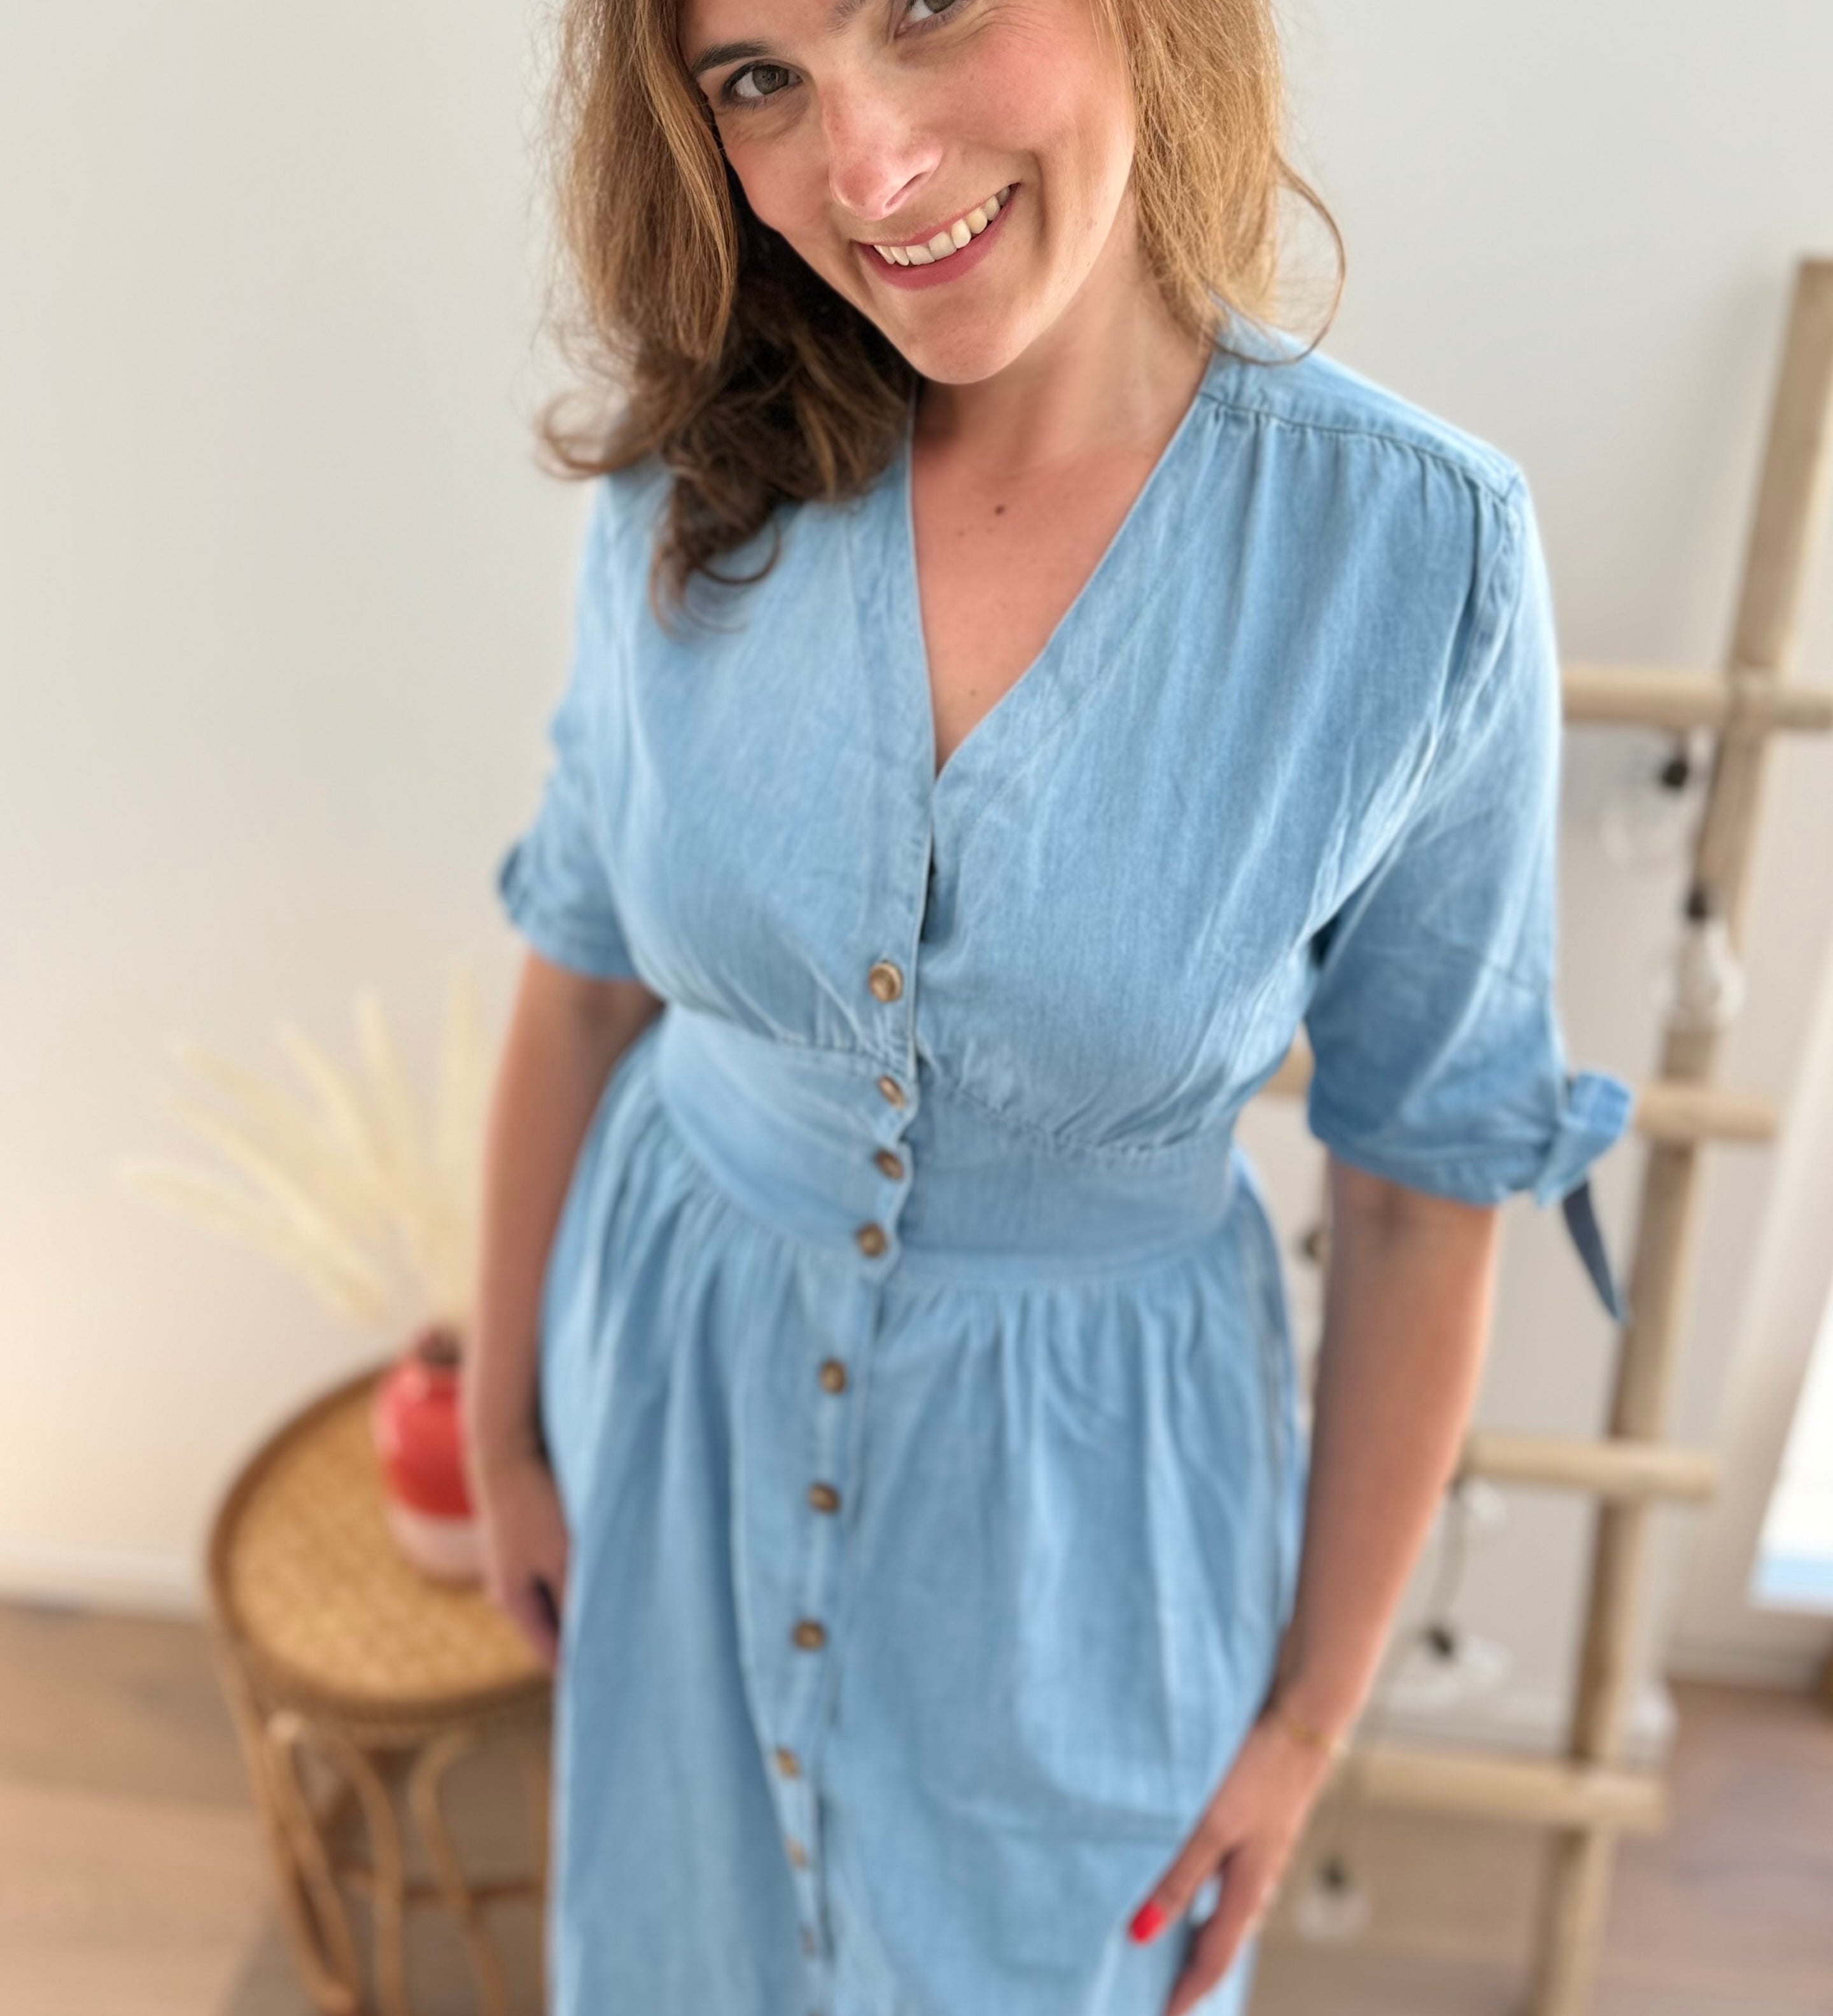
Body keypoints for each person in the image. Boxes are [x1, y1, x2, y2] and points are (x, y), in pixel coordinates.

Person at [463, 0, 1634, 2010]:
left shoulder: (1411, 559)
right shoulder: (691, 468)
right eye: (760, 79)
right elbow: (579, 986)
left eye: (924, 7)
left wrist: (1307, 1722)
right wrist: (503, 1433)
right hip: (675, 1419)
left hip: (1090, 1526)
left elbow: (1420, 1195)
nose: (867, 169)